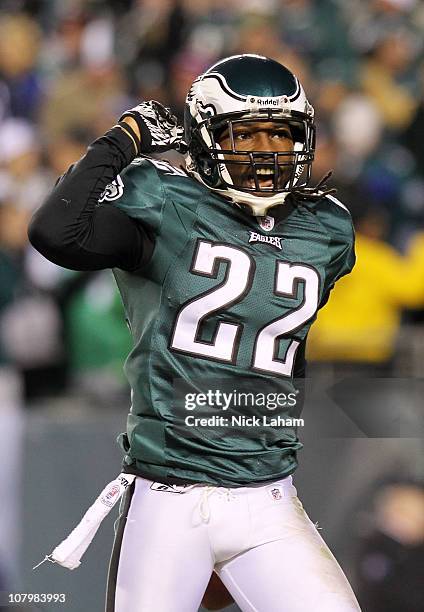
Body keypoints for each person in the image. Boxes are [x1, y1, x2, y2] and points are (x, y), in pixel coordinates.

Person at [28, 54, 361, 612]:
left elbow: (273, 340)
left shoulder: (325, 226)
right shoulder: (164, 197)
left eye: (280, 136)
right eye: (246, 134)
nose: (264, 153)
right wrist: (124, 138)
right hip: (169, 495)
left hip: (269, 494)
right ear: (205, 138)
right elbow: (55, 232)